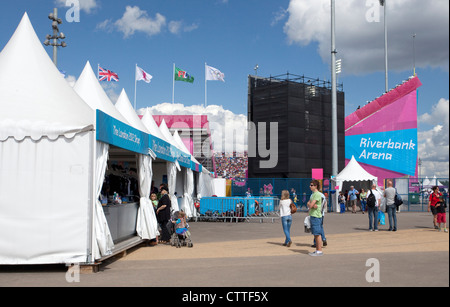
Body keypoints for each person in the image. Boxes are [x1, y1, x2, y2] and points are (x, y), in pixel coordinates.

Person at [307, 180, 323, 256]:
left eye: (312, 185)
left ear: (316, 186)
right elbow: (308, 203)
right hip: (313, 215)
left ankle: (319, 251)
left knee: (317, 234)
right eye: (310, 185)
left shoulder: (317, 194)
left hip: (316, 216)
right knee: (315, 234)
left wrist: (311, 205)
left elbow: (310, 204)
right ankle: (317, 250)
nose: (310, 186)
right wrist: (312, 205)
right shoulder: (312, 194)